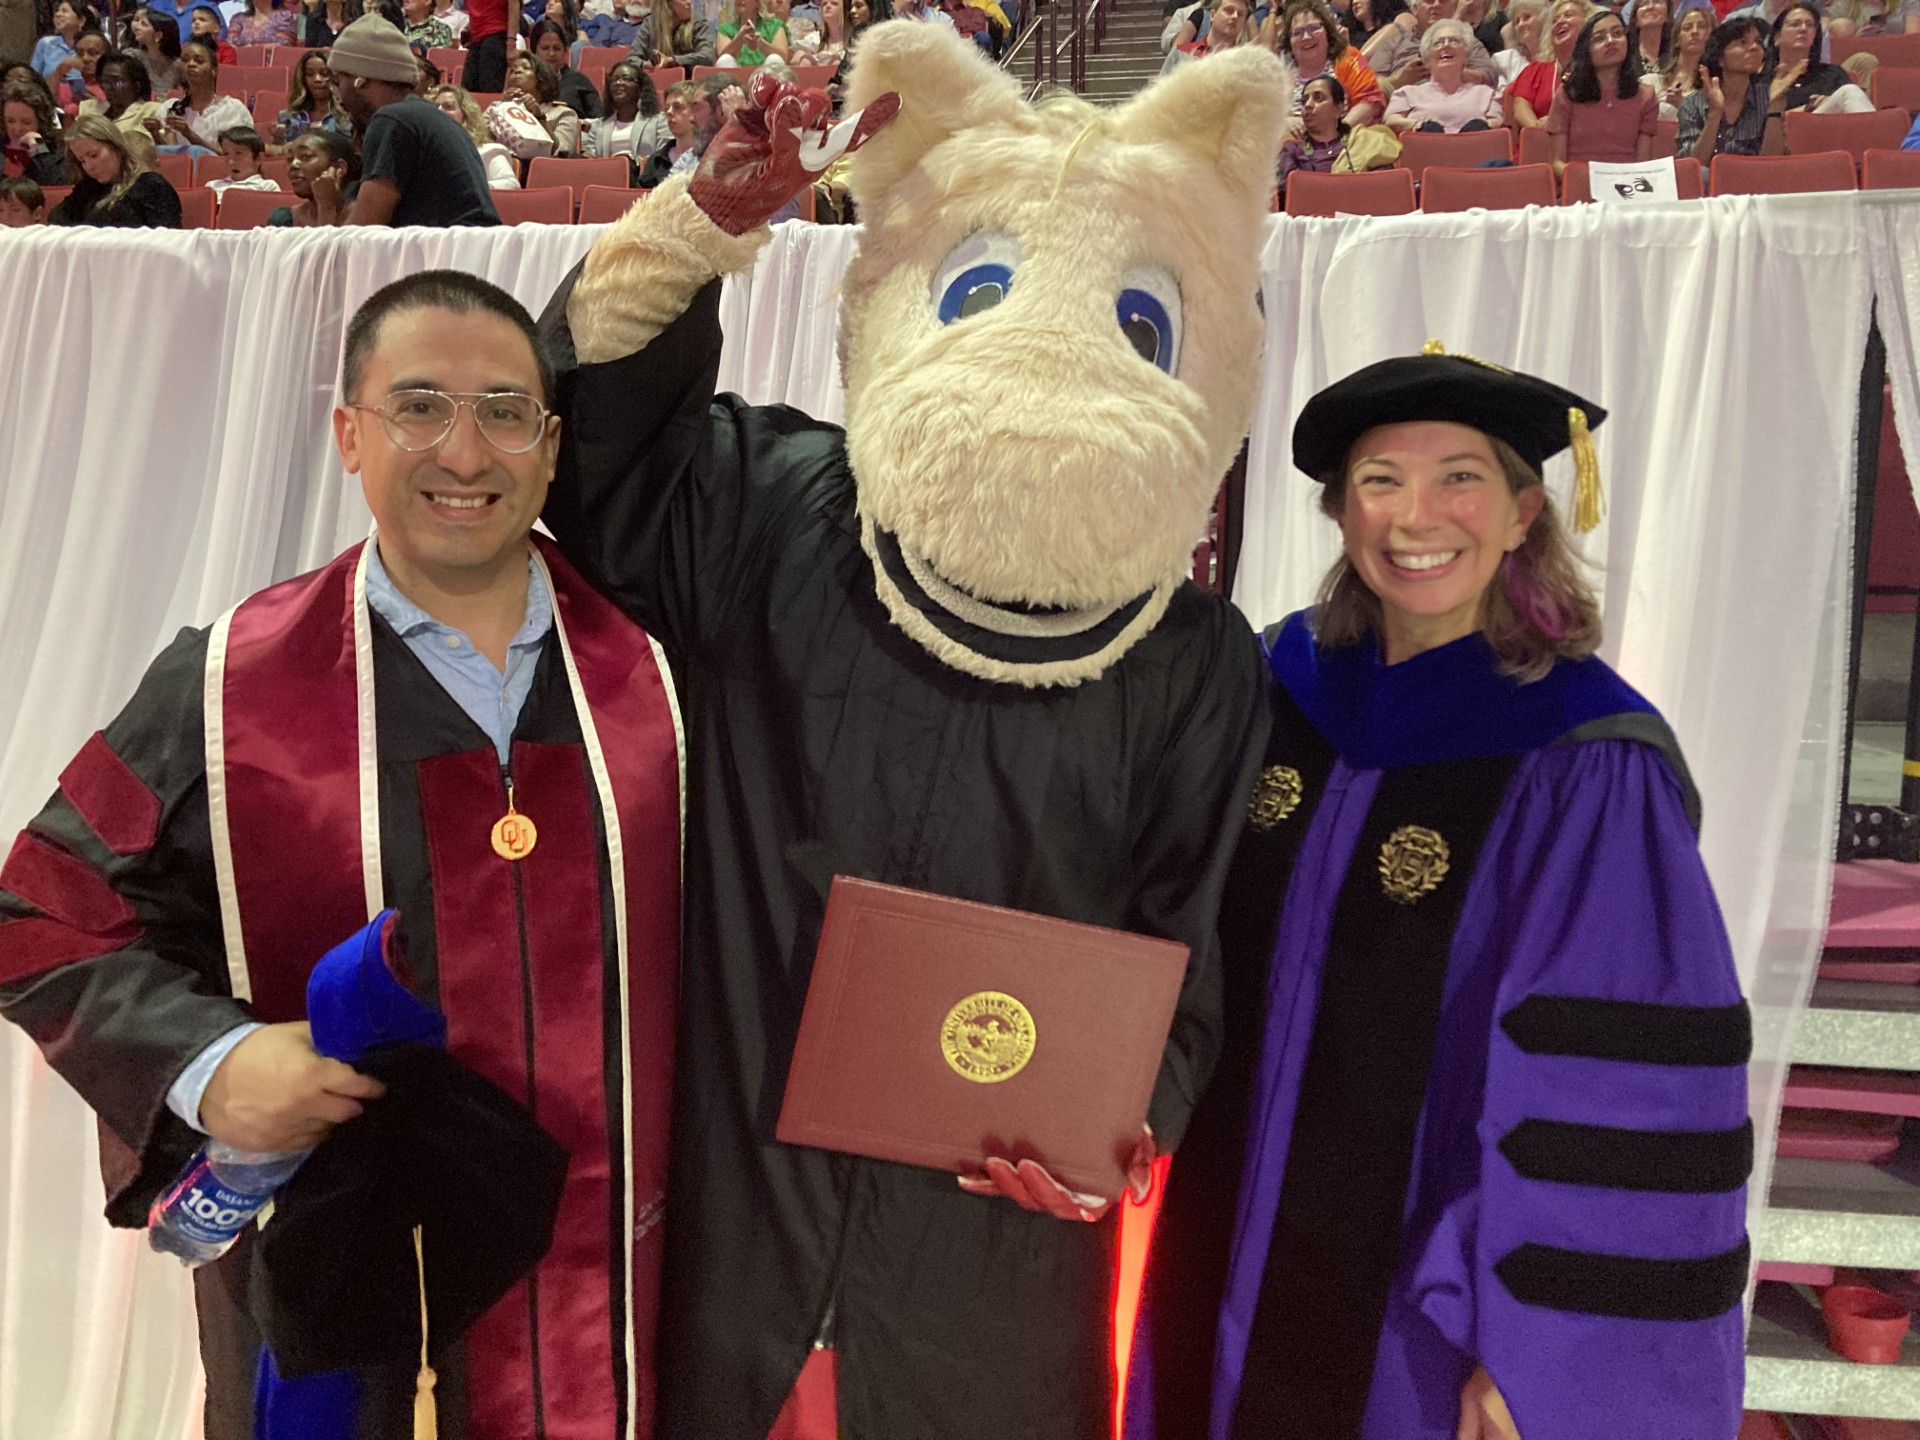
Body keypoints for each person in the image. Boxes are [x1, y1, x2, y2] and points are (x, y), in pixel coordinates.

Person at [542, 24, 1279, 1435]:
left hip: (984, 1247)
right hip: (734, 1212)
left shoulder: (1193, 666)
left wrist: (1120, 1131)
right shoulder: (769, 512)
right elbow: (594, 452)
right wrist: (699, 224)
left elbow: (1183, 943)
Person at [0, 270, 683, 1440]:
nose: (464, 453)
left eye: (504, 412)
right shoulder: (229, 687)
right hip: (339, 1290)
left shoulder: (663, 679)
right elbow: (38, 911)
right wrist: (211, 1063)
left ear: (552, 443)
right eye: (418, 406)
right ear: (348, 433)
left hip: (622, 1292)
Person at [1133, 347, 1751, 1440]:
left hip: (1430, 1299)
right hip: (1220, 1242)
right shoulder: (1275, 686)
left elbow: (1624, 1099)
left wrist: (1535, 1353)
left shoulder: (1587, 765)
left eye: (1460, 477)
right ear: (1339, 513)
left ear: (1523, 514)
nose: (1418, 515)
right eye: (1381, 479)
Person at [329, 12, 500, 223]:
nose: (339, 96)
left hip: (445, 253)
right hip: (467, 249)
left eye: (338, 81)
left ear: (359, 80)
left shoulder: (391, 119)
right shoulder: (432, 118)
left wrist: (327, 207)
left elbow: (362, 231)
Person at [1546, 9, 1656, 165]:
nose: (1611, 41)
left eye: (1617, 33)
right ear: (1586, 50)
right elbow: (1557, 163)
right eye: (1599, 38)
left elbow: (1643, 164)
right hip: (1580, 183)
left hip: (1627, 184)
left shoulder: (1646, 95)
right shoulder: (1567, 94)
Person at [1676, 14, 1783, 160]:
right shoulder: (1692, 104)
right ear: (1720, 58)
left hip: (1755, 178)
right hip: (1709, 179)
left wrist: (1775, 109)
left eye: (1758, 42)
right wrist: (1715, 114)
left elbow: (1774, 164)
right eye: (1743, 42)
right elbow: (1693, 167)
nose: (1754, 47)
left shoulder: (1769, 97)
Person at [1265, 0, 1384, 126]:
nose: (1306, 37)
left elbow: (1370, 103)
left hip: (1350, 139)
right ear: (1289, 41)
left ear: (1327, 32)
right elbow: (1265, 121)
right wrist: (1286, 122)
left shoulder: (1348, 58)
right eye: (1298, 32)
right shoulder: (1280, 77)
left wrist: (1339, 132)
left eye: (1313, 28)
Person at [49, 111, 181, 222]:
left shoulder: (151, 186)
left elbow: (167, 239)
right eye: (82, 160)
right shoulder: (89, 188)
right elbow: (55, 220)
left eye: (94, 155)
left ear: (116, 147)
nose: (89, 167)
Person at [1384, 17, 1501, 127]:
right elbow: (1391, 120)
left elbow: (1498, 122)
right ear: (1426, 59)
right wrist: (1417, 125)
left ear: (1466, 56)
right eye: (1438, 43)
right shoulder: (1407, 93)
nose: (1446, 46)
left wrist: (1481, 126)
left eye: (1454, 41)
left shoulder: (1486, 94)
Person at [1364, 0, 1498, 95]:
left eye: (1443, 0)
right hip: (1403, 109)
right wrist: (1399, 80)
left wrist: (1452, 72)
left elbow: (1490, 78)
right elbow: (1368, 86)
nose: (1436, 4)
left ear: (1453, 9)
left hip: (1458, 102)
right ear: (1414, 10)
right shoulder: (1393, 44)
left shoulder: (1469, 42)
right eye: (1429, 0)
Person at [1768, 1, 1874, 109]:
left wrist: (1831, 101)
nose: (1803, 28)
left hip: (1830, 123)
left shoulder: (1833, 74)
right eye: (1795, 24)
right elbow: (1758, 119)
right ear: (1777, 38)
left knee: (1850, 91)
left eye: (1810, 25)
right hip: (1787, 124)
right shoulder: (1763, 78)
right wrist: (1806, 108)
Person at [151, 35, 249, 151]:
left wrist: (190, 135)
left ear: (214, 70)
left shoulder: (231, 109)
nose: (191, 64)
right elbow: (170, 155)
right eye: (185, 60)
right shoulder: (170, 107)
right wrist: (155, 134)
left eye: (199, 61)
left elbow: (231, 156)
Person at [1507, 0, 1591, 128]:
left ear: (1588, 22)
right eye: (1555, 20)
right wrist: (1539, 127)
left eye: (1568, 15)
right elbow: (1520, 107)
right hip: (1543, 141)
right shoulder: (1536, 69)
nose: (1560, 22)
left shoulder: (1600, 66)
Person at [431, 79, 522, 183]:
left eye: (449, 106)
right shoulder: (426, 154)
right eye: (435, 107)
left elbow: (510, 184)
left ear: (466, 115)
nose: (439, 111)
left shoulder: (488, 152)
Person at [1277, 72, 1352, 189]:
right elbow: (1291, 194)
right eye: (1304, 101)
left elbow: (1380, 187)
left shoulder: (1362, 142)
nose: (1308, 105)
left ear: (1338, 108)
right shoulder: (1291, 151)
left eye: (1318, 98)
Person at [585, 57, 667, 163]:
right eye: (614, 79)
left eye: (626, 78)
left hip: (644, 176)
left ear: (640, 88)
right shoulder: (598, 126)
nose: (618, 83)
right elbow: (591, 161)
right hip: (607, 175)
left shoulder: (659, 121)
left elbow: (664, 159)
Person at [266, 121, 355, 217]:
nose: (293, 165)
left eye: (305, 156)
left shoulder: (364, 216)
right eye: (290, 159)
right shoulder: (283, 219)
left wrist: (326, 207)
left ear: (339, 167)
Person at [633, 70, 704, 182]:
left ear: (695, 111)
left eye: (677, 107)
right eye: (667, 108)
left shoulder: (709, 157)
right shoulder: (656, 161)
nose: (669, 112)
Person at [504, 48, 580, 150]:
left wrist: (540, 118)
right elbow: (479, 143)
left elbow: (563, 151)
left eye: (526, 68)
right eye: (513, 70)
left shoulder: (563, 113)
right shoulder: (497, 107)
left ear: (541, 77)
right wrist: (502, 108)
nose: (517, 71)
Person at [3, 75, 72, 180]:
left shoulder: (58, 151)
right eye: (10, 121)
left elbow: (54, 186)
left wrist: (38, 148)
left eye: (26, 122)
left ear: (41, 121)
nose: (17, 129)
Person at [275, 47, 347, 145]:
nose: (317, 79)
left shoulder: (348, 117)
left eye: (324, 74)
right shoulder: (288, 117)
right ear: (302, 79)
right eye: (310, 74)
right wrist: (279, 141)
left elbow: (353, 153)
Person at [532, 17, 600, 115]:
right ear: (534, 52)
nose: (551, 53)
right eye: (545, 48)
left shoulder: (578, 80)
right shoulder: (526, 81)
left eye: (557, 48)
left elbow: (599, 118)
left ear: (565, 51)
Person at [32, 0, 94, 105]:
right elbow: (33, 79)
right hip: (50, 103)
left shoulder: (92, 45)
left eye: (64, 11)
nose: (58, 14)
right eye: (57, 11)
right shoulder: (45, 43)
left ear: (81, 20)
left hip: (86, 103)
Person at [1656, 0, 1709, 110]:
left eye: (1702, 26)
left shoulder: (1718, 85)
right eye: (1687, 27)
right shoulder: (1652, 82)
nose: (1695, 31)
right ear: (1677, 39)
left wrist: (1684, 106)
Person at [128, 7, 182, 96]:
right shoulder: (132, 57)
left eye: (144, 24)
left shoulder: (177, 65)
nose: (136, 27)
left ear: (158, 35)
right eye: (136, 20)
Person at [207, 120, 278, 186]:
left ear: (258, 158)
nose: (231, 162)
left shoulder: (267, 186)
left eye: (238, 153)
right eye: (226, 154)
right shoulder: (212, 185)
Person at [1491, 0, 1545, 82]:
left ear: (1543, 19)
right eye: (1517, 21)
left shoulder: (1556, 54)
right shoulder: (1508, 60)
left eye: (1527, 17)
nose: (1521, 24)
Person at [716, 0, 789, 61]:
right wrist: (739, 39)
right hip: (735, 75)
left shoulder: (774, 25)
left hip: (766, 73)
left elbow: (783, 58)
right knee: (725, 59)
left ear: (758, 3)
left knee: (775, 59)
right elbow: (721, 58)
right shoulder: (725, 28)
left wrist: (761, 44)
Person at [462, 0, 509, 92]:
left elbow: (513, 5)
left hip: (495, 36)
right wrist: (469, 28)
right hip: (476, 38)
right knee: (467, 90)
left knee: (490, 88)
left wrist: (512, 42)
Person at [229, 0, 301, 43]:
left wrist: (253, 49)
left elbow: (284, 43)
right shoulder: (238, 18)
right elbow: (230, 43)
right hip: (242, 63)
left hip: (272, 65)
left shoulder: (284, 16)